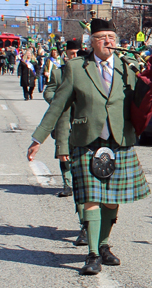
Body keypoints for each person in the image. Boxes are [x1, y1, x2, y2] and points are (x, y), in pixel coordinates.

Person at [26, 18, 152, 275]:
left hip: (119, 141)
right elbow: (58, 105)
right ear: (91, 42)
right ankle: (93, 253)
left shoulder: (128, 67)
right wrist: (39, 137)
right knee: (92, 199)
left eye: (112, 37)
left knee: (112, 201)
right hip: (87, 141)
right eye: (102, 37)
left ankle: (104, 245)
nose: (109, 42)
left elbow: (150, 95)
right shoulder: (76, 68)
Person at [42, 40, 88, 246]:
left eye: (78, 52)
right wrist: (58, 99)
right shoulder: (59, 73)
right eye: (71, 53)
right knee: (79, 184)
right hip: (67, 130)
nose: (74, 56)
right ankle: (85, 226)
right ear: (66, 54)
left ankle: (96, 226)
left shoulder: (92, 72)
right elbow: (48, 92)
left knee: (91, 184)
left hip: (90, 135)